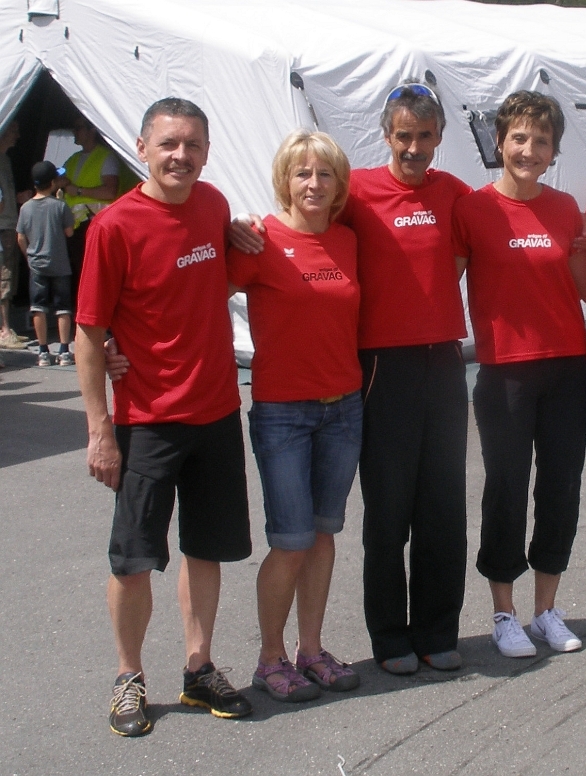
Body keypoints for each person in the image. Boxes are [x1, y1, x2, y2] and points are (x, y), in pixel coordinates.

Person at [231, 82, 471, 674]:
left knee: (442, 505)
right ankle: (390, 638)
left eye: (424, 136)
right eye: (403, 136)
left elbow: (489, 245)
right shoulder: (354, 191)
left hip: (443, 360)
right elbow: (295, 224)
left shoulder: (456, 194)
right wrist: (243, 224)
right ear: (386, 136)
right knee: (388, 510)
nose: (413, 148)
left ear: (439, 138)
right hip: (378, 366)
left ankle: (438, 630)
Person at [75, 97, 252, 737]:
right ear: (143, 147)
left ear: (207, 151)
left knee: (206, 550)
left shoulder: (213, 208)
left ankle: (198, 667)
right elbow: (90, 335)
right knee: (132, 558)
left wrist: (248, 235)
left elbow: (215, 283)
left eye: (194, 145)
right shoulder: (114, 227)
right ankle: (129, 677)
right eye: (169, 144)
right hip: (146, 421)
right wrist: (100, 431)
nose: (182, 156)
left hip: (216, 413)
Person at [453, 91, 586, 658]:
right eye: (518, 137)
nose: (528, 149)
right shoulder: (473, 209)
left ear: (553, 149)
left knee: (559, 487)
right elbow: (439, 276)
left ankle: (546, 611)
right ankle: (504, 613)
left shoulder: (566, 210)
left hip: (566, 367)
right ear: (499, 143)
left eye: (540, 140)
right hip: (504, 373)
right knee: (507, 489)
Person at [228, 130, 362, 702]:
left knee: (324, 536)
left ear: (339, 185)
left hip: (344, 408)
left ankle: (311, 649)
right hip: (283, 412)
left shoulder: (348, 241)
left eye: (324, 174)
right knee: (290, 540)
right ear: (284, 178)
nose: (313, 183)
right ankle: (269, 657)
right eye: (302, 173)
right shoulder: (259, 240)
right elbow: (192, 295)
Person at [16, 161, 75, 366]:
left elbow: (21, 237)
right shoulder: (60, 206)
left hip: (36, 264)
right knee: (63, 308)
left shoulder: (26, 208)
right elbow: (69, 232)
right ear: (53, 183)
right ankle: (64, 349)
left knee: (38, 307)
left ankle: (42, 351)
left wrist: (28, 256)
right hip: (59, 263)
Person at [59, 115, 121, 306]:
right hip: (73, 227)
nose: (74, 132)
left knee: (96, 274)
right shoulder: (72, 159)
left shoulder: (106, 157)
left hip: (93, 223)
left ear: (92, 130)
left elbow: (110, 190)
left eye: (78, 128)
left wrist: (78, 190)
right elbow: (61, 180)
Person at [0, 120, 30, 350]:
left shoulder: (6, 160)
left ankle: (6, 327)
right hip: (2, 226)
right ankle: (4, 330)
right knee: (4, 278)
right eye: (15, 130)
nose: (18, 135)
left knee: (9, 277)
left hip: (9, 222)